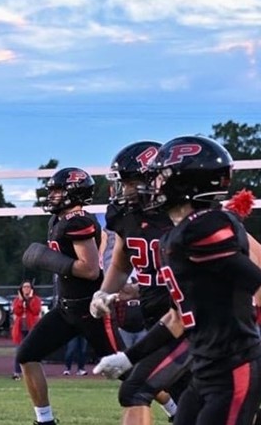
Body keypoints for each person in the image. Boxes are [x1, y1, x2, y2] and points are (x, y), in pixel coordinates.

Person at [99, 135, 261, 425]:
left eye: (159, 177)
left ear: (182, 183)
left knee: (139, 391)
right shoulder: (174, 235)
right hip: (207, 365)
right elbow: (176, 318)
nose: (151, 185)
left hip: (234, 365)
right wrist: (129, 358)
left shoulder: (205, 226)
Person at [90, 140, 188, 425]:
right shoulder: (127, 216)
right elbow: (122, 261)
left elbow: (259, 260)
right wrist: (104, 292)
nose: (126, 190)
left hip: (189, 322)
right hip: (159, 319)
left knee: (136, 390)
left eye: (132, 182)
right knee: (202, 406)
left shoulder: (186, 214)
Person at [15, 167, 117, 425]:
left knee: (126, 370)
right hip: (65, 308)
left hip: (89, 310)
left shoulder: (78, 222)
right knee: (27, 355)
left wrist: (50, 260)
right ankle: (45, 420)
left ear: (74, 192)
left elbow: (91, 269)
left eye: (58, 191)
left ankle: (175, 408)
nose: (52, 196)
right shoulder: (59, 220)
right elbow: (102, 239)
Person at [11, 281, 42, 379]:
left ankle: (32, 373)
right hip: (20, 330)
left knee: (32, 351)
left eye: (28, 287)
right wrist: (21, 301)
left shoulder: (36, 299)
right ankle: (17, 372)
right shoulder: (17, 300)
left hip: (31, 328)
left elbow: (36, 310)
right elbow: (17, 311)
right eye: (24, 287)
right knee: (19, 351)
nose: (26, 289)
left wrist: (29, 300)